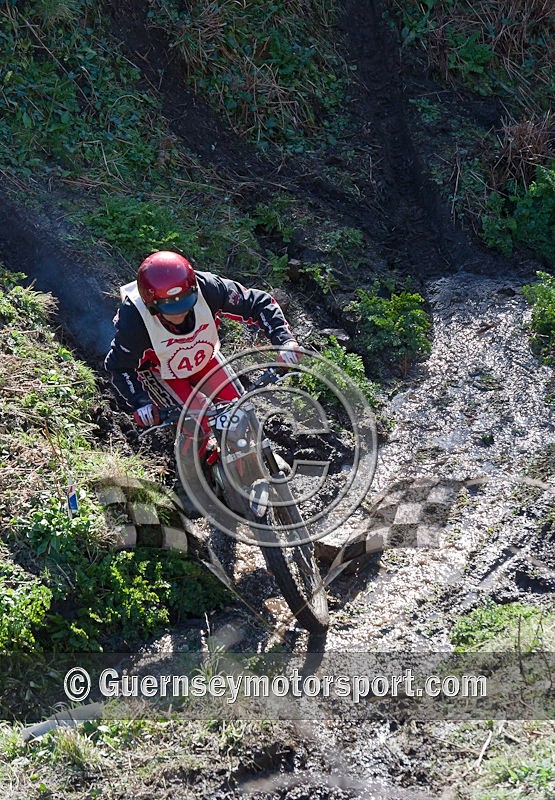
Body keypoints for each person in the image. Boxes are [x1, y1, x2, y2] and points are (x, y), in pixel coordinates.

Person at [104, 250, 302, 451]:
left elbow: (257, 303)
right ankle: (191, 477)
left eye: (185, 302)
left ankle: (249, 458)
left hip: (204, 358)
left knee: (240, 411)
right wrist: (140, 402)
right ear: (151, 304)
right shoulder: (134, 319)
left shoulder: (208, 287)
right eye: (170, 308)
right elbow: (119, 367)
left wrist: (284, 340)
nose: (180, 312)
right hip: (162, 370)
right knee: (198, 427)